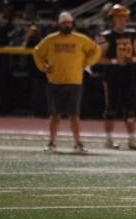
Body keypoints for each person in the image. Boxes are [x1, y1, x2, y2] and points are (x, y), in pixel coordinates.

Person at [33, 12, 101, 152]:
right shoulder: (50, 40)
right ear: (59, 24)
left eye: (69, 22)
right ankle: (51, 143)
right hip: (54, 81)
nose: (67, 25)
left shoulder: (80, 39)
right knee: (54, 115)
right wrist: (43, 67)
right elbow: (37, 52)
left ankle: (77, 144)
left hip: (74, 81)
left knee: (74, 115)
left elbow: (96, 50)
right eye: (64, 23)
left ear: (72, 23)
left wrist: (86, 62)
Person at [96, 4, 136, 149]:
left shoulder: (132, 34)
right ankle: (109, 140)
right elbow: (97, 58)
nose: (122, 21)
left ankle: (132, 139)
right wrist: (115, 61)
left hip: (129, 75)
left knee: (130, 109)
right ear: (112, 19)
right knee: (111, 109)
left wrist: (132, 60)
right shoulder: (105, 36)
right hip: (112, 76)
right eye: (119, 18)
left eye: (124, 18)